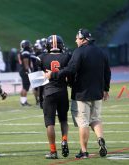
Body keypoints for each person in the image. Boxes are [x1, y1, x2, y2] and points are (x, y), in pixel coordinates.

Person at [45, 29, 111, 158]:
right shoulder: (101, 52)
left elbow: (71, 69)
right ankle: (100, 138)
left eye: (77, 38)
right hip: (97, 92)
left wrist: (53, 74)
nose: (75, 40)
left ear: (83, 39)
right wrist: (106, 89)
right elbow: (107, 72)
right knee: (96, 119)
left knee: (83, 123)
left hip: (81, 93)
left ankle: (83, 151)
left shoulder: (79, 51)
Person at [37, 35, 72, 159]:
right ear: (61, 45)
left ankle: (53, 151)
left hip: (48, 92)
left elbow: (38, 80)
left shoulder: (41, 58)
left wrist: (39, 98)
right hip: (62, 91)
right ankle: (64, 139)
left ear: (47, 45)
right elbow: (70, 74)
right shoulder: (67, 57)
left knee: (50, 123)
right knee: (63, 119)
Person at [18, 40, 32, 106]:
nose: (29, 46)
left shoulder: (22, 52)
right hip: (25, 71)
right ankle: (23, 102)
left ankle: (23, 101)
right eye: (28, 45)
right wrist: (28, 71)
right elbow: (26, 62)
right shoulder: (25, 52)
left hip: (22, 70)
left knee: (24, 87)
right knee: (25, 87)